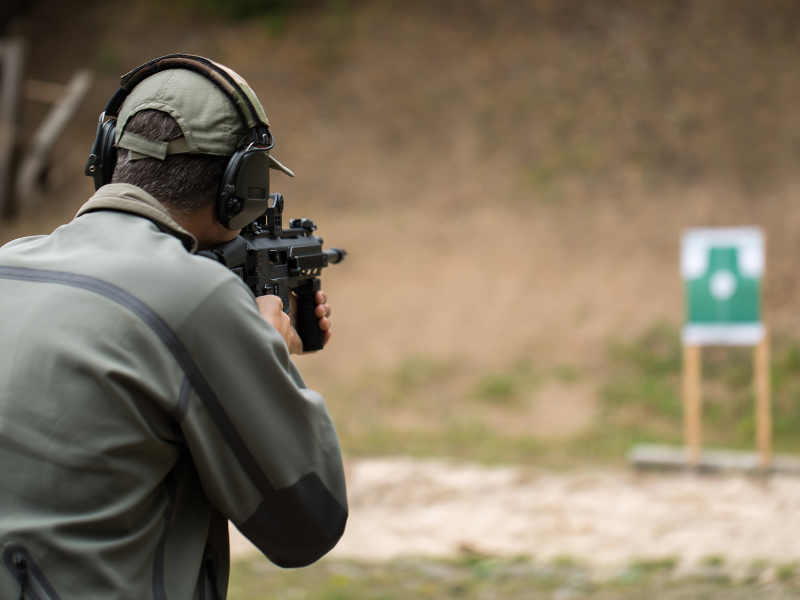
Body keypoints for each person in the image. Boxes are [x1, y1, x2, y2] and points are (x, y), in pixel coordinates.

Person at [0, 56, 348, 600]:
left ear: (106, 155)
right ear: (242, 183)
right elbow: (308, 523)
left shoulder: (10, 262)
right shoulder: (196, 297)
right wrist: (267, 354)